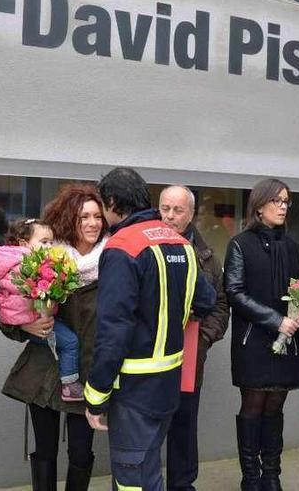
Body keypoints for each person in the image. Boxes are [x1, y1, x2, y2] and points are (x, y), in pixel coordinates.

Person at [83, 168, 215, 491]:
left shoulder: (122, 246)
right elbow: (207, 299)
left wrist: (95, 395)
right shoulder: (179, 242)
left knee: (132, 481)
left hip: (133, 391)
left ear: (112, 202)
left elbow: (113, 331)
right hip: (169, 385)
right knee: (148, 472)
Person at [0, 183, 108, 491]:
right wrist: (24, 327)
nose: (92, 223)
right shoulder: (46, 256)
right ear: (69, 220)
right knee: (46, 449)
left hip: (87, 374)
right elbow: (10, 306)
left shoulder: (113, 260)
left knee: (81, 451)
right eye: (83, 216)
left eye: (97, 216)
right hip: (44, 374)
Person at [224, 178, 299, 491]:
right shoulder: (240, 244)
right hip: (253, 340)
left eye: (286, 201)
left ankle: (271, 475)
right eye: (276, 201)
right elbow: (234, 291)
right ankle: (251, 477)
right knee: (254, 405)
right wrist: (275, 320)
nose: (283, 206)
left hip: (288, 341)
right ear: (258, 206)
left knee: (276, 405)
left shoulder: (291, 246)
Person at [159, 185, 231, 491]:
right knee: (146, 428)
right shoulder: (145, 247)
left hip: (190, 355)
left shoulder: (207, 257)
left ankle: (182, 485)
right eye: (165, 209)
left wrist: (201, 339)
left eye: (178, 210)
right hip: (147, 356)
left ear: (191, 214)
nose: (170, 217)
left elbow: (221, 303)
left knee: (184, 426)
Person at [0, 218, 86, 402]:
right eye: (44, 242)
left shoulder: (15, 261)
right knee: (70, 342)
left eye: (51, 242)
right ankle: (70, 385)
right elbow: (26, 291)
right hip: (33, 322)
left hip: (30, 319)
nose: (49, 247)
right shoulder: (25, 265)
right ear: (24, 244)